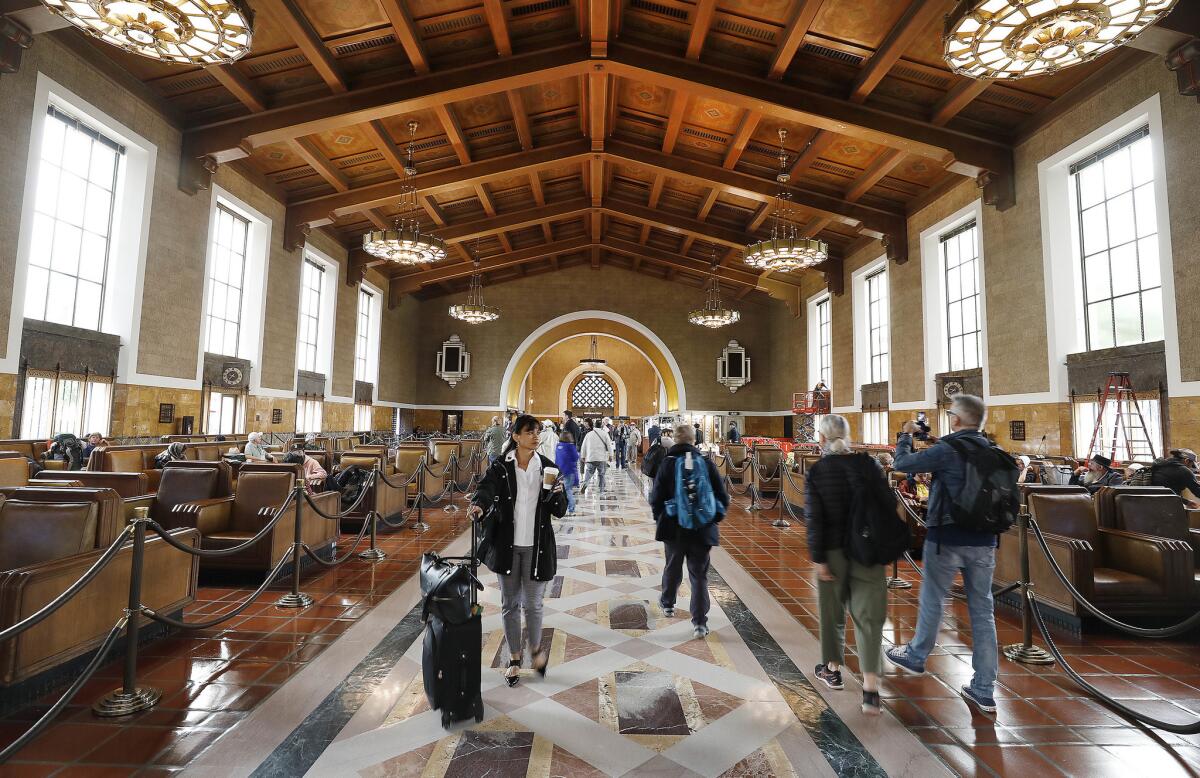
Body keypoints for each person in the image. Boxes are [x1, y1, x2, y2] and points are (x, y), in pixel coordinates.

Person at [885, 394, 1002, 714]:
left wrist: (906, 435)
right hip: (985, 542)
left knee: (934, 598)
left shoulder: (948, 450)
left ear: (956, 420)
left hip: (947, 538)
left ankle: (916, 655)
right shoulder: (994, 450)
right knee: (982, 611)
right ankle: (983, 688)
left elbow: (902, 464)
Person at [469, 414, 567, 687]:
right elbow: (486, 489)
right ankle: (514, 658)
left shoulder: (548, 468)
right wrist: (479, 505)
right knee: (510, 605)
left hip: (538, 549)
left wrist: (558, 493)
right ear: (516, 436)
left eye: (537, 432)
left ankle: (535, 651)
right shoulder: (501, 466)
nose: (535, 436)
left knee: (534, 605)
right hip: (507, 546)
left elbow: (560, 510)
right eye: (529, 432)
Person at [804, 414, 889, 715]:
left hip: (834, 552)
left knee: (832, 613)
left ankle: (833, 670)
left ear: (823, 439)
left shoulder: (819, 472)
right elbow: (885, 506)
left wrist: (818, 559)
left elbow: (814, 520)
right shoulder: (870, 466)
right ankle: (870, 690)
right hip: (868, 551)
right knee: (869, 618)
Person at [650, 423, 729, 640]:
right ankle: (700, 623)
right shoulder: (706, 462)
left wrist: (662, 518)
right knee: (699, 575)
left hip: (674, 527)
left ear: (675, 439)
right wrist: (712, 519)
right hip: (702, 530)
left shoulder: (667, 464)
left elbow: (655, 498)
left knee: (672, 566)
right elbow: (722, 497)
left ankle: (668, 604)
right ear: (694, 440)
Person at [579, 419, 613, 495]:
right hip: (601, 458)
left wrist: (583, 456)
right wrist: (611, 455)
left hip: (590, 457)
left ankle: (585, 484)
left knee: (589, 473)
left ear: (594, 425)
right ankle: (601, 490)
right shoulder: (605, 434)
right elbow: (609, 445)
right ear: (601, 426)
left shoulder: (589, 434)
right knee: (601, 474)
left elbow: (583, 446)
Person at [556, 430, 580, 515]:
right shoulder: (570, 446)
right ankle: (571, 510)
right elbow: (576, 458)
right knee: (568, 490)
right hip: (569, 471)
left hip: (560, 471)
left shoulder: (558, 446)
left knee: (562, 490)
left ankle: (562, 508)